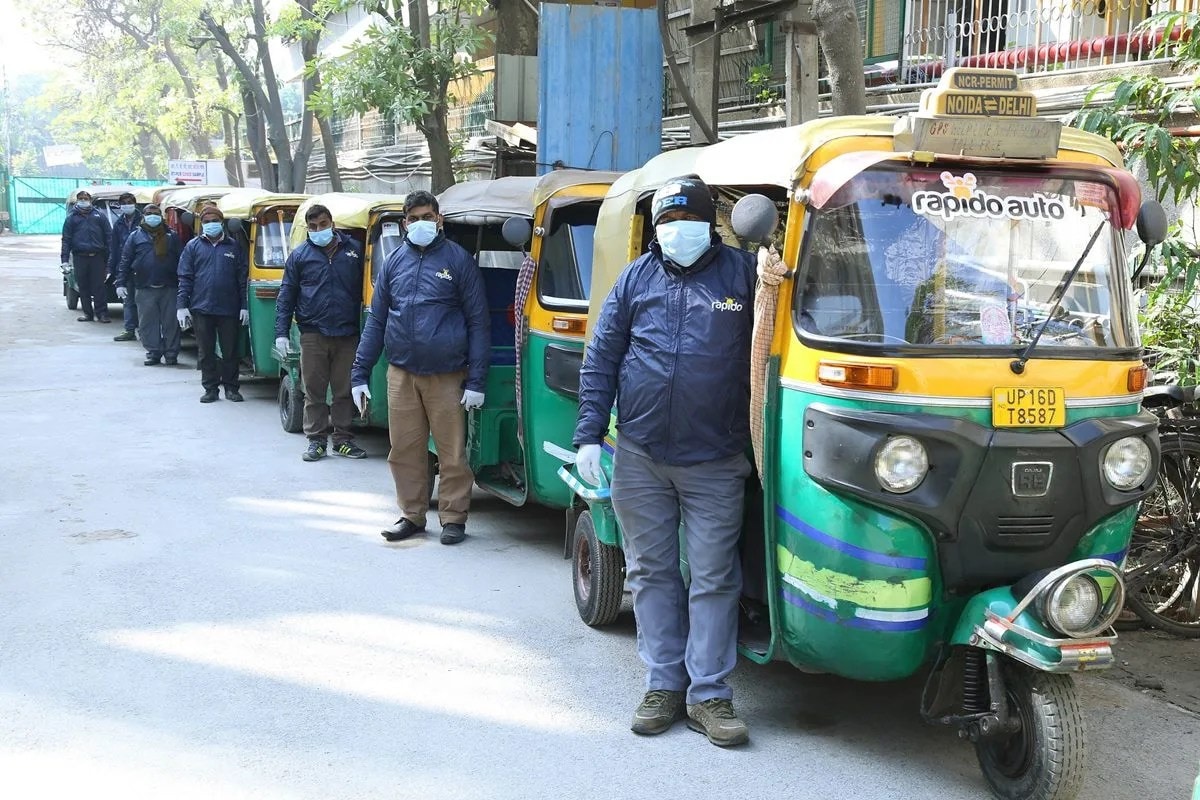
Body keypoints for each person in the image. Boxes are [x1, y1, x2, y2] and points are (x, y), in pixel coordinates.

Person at [573, 176, 760, 747]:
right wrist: (588, 436)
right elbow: (602, 358)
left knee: (713, 576)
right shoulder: (636, 278)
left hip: (716, 459)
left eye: (688, 219)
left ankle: (709, 695)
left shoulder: (745, 276)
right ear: (657, 228)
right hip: (640, 456)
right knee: (651, 572)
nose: (678, 230)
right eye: (668, 221)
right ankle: (663, 685)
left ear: (711, 223)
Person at [350, 190, 489, 546]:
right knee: (404, 450)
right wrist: (359, 373)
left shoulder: (458, 261)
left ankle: (453, 518)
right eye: (414, 219)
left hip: (447, 375)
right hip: (401, 374)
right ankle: (411, 515)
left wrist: (476, 380)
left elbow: (478, 322)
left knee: (452, 452)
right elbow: (376, 321)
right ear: (404, 223)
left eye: (428, 217)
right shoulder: (393, 263)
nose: (421, 223)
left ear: (439, 219)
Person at [276, 204, 368, 462]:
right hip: (313, 334)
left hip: (347, 333)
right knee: (313, 391)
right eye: (313, 227)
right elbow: (286, 295)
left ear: (332, 224)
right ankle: (316, 441)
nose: (319, 230)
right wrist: (281, 332)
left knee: (344, 389)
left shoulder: (354, 251)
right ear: (308, 228)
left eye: (323, 225)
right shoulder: (299, 256)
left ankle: (342, 440)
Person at [177, 204, 248, 403]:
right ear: (201, 224)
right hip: (201, 308)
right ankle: (210, 389)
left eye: (215, 221)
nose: (211, 224)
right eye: (207, 222)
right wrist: (182, 305)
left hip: (229, 308)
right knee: (205, 352)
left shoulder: (234, 247)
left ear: (222, 222)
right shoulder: (193, 246)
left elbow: (242, 279)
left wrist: (244, 306)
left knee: (230, 351)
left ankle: (232, 388)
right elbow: (185, 277)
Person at [116, 203, 182, 366]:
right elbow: (125, 260)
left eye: (156, 214)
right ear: (144, 217)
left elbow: (182, 260)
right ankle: (153, 352)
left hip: (169, 287)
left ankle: (171, 354)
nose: (153, 216)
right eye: (149, 213)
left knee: (171, 323)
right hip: (144, 286)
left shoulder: (171, 236)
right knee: (147, 323)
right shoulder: (135, 236)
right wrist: (120, 283)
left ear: (161, 216)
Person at [60, 189, 113, 323]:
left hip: (97, 257)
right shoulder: (71, 218)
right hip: (80, 257)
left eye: (86, 199)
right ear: (77, 201)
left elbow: (109, 236)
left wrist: (110, 256)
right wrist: (64, 260)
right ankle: (88, 314)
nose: (83, 201)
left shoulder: (99, 216)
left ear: (90, 201)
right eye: (81, 199)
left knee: (99, 286)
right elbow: (66, 239)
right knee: (83, 286)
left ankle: (102, 314)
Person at [109, 192, 142, 342]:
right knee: (128, 301)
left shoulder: (143, 220)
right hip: (125, 267)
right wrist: (112, 269)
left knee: (142, 301)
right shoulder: (118, 224)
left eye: (129, 202)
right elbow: (114, 248)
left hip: (142, 267)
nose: (127, 205)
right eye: (124, 203)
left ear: (135, 204)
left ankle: (144, 330)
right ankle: (129, 330)